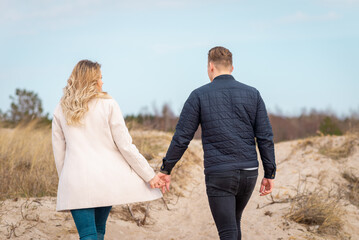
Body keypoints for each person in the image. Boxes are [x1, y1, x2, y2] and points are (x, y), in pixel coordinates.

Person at [152, 46, 277, 240]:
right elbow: (265, 137)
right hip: (249, 173)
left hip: (220, 173)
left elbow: (182, 137)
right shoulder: (253, 94)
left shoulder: (199, 95)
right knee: (234, 223)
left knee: (228, 231)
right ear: (232, 68)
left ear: (210, 66)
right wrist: (269, 173)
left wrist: (166, 168)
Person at [51, 60, 164, 240]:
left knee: (88, 235)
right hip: (105, 180)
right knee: (98, 232)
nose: (102, 82)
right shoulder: (108, 104)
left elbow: (59, 153)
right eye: (100, 78)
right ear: (91, 80)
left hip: (75, 180)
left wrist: (65, 182)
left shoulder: (61, 108)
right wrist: (150, 175)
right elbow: (126, 146)